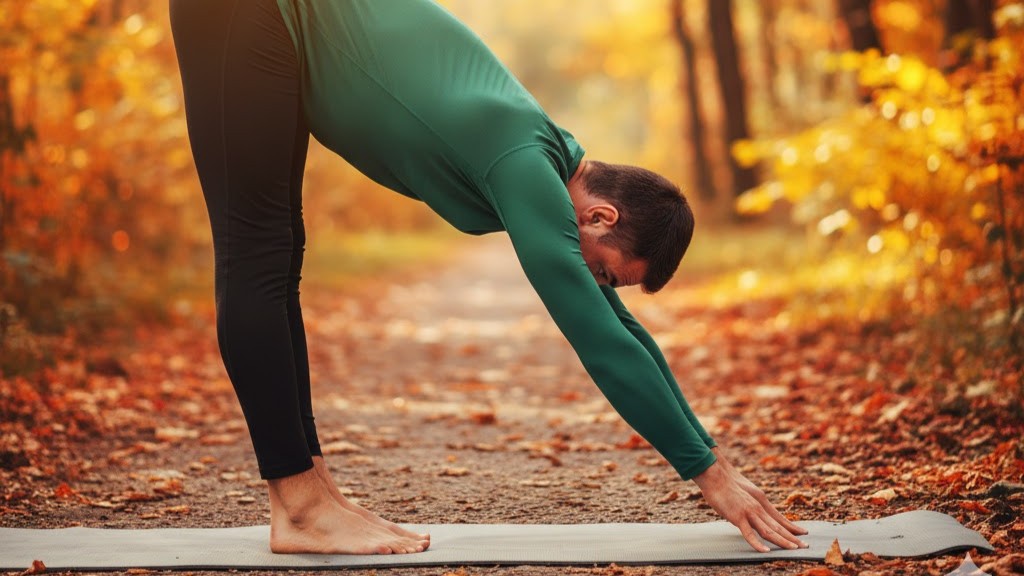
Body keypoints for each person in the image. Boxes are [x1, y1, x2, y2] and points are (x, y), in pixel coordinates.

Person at [169, 0, 810, 556]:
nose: (598, 286)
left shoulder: (540, 151)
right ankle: (301, 506)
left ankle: (309, 496)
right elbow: (598, 336)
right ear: (600, 216)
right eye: (608, 273)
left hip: (272, 27)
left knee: (277, 251)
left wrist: (710, 453)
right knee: (257, 248)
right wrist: (708, 477)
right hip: (251, 15)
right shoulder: (525, 164)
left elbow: (620, 328)